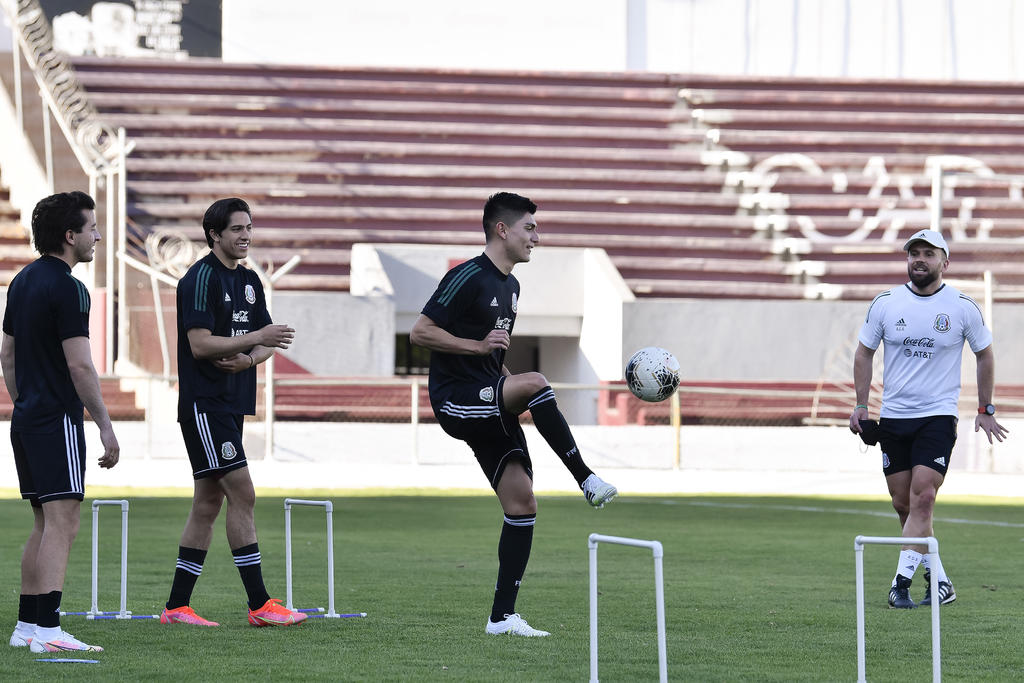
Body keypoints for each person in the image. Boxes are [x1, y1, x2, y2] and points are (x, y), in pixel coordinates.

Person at [410, 192, 618, 638]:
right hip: (456, 399)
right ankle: (586, 478)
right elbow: (420, 332)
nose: (536, 238)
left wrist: (507, 380)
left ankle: (501, 618)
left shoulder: (512, 287)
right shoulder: (466, 275)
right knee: (538, 382)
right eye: (529, 228)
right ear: (502, 229)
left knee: (522, 502)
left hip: (488, 395)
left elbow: (493, 355)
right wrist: (482, 351)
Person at [159, 197, 305, 627]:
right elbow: (200, 344)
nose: (245, 236)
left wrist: (250, 358)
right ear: (215, 235)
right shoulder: (199, 279)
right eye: (237, 229)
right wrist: (256, 338)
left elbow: (264, 343)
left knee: (207, 503)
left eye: (249, 227)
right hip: (206, 406)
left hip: (232, 404)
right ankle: (260, 605)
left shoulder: (249, 280)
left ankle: (176, 608)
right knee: (243, 493)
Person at [849, 228, 1008, 609]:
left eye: (928, 253)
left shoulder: (962, 306)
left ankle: (899, 584)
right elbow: (863, 353)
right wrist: (861, 406)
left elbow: (985, 354)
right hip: (894, 418)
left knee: (924, 498)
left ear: (944, 262)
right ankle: (940, 581)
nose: (919, 259)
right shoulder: (885, 303)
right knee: (903, 505)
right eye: (913, 253)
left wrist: (986, 407)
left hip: (937, 417)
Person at [3, 191, 120, 653]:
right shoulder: (70, 287)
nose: (96, 235)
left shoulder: (22, 280)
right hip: (57, 420)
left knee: (43, 523)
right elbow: (81, 366)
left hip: (27, 418)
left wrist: (24, 402)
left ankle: (27, 627)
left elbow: (6, 355)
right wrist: (105, 426)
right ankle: (49, 632)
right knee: (63, 523)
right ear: (69, 236)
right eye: (91, 227)